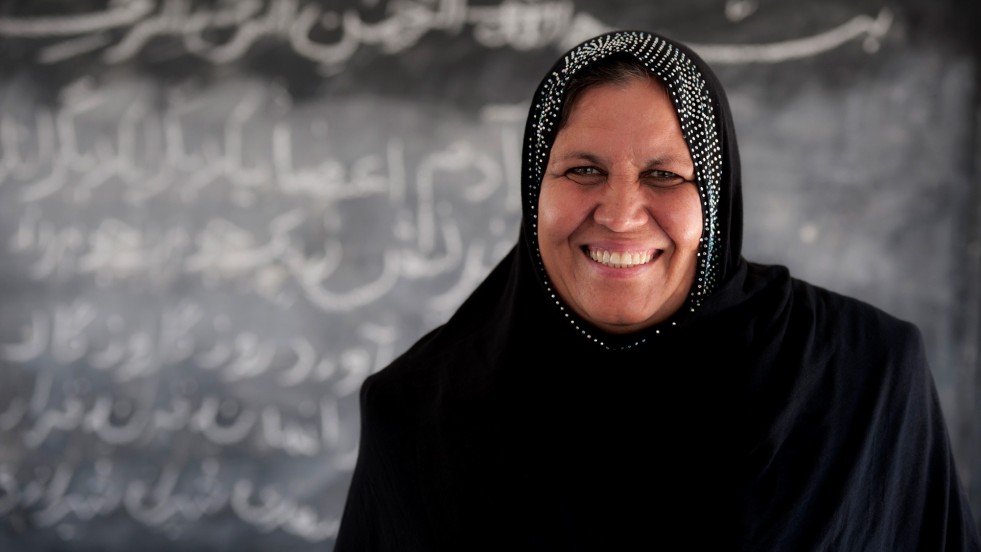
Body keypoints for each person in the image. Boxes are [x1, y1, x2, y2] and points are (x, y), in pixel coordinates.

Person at [334, 30, 981, 551]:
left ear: (715, 200)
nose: (618, 214)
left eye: (665, 175)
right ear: (536, 191)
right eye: (581, 170)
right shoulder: (419, 411)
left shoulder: (862, 377)